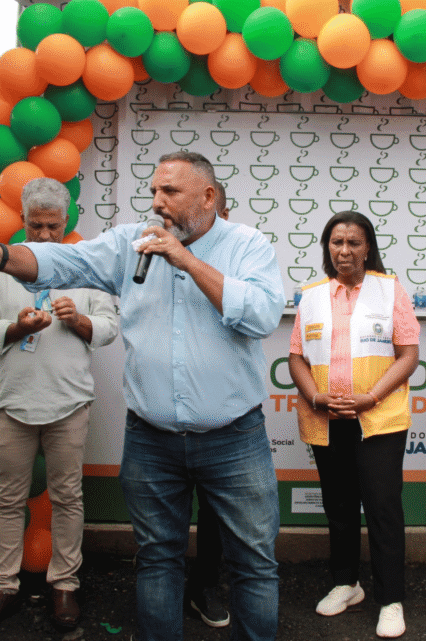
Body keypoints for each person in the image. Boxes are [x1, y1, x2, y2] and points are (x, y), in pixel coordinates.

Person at [0, 151, 285, 641]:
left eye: (170, 191)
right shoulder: (132, 243)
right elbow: (62, 260)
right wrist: (1, 256)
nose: (157, 202)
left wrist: (186, 260)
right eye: (154, 191)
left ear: (208, 196)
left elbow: (262, 316)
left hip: (233, 438)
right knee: (157, 560)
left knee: (253, 563)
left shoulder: (247, 245)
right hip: (152, 439)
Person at [0, 178, 120, 635]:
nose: (46, 234)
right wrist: (15, 330)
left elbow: (109, 326)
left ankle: (65, 584)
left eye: (54, 226)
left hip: (69, 402)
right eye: (37, 226)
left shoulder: (87, 266)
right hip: (12, 402)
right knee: (8, 498)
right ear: (22, 220)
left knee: (68, 497)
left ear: (67, 221)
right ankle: (2, 586)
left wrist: (80, 321)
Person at [287, 211, 420, 639]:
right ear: (327, 247)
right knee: (339, 506)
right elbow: (296, 357)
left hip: (378, 418)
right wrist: (315, 396)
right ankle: (346, 583)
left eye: (353, 243)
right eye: (336, 242)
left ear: (368, 249)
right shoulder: (311, 296)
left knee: (382, 508)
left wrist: (372, 397)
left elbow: (408, 355)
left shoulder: (390, 289)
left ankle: (390, 599)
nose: (344, 251)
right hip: (327, 419)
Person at [184, 178, 232, 629]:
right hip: (165, 420)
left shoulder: (242, 262)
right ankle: (166, 586)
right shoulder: (160, 256)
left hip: (221, 420)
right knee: (168, 517)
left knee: (215, 514)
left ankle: (205, 585)